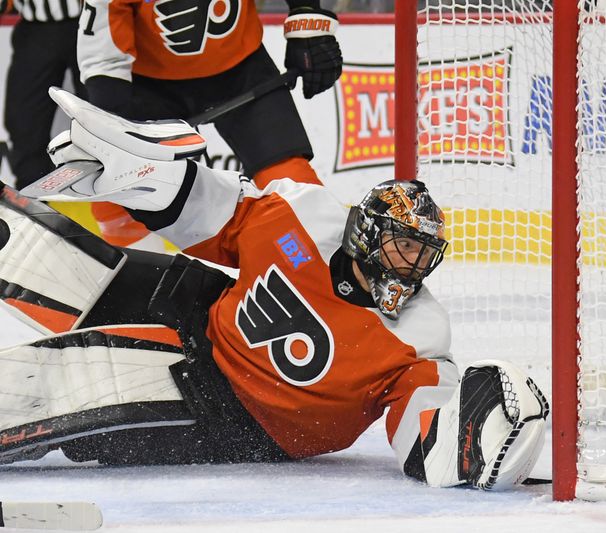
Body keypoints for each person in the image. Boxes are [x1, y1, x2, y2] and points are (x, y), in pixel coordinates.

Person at [0, 90, 548, 490]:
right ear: (365, 234)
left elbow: (427, 438)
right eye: (402, 248)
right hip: (202, 310)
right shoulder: (303, 214)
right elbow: (212, 213)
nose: (410, 267)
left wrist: (486, 438)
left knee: (53, 384)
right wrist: (136, 177)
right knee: (49, 255)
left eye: (423, 257)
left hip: (229, 415)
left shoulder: (422, 337)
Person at [74, 0, 342, 249]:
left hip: (241, 66)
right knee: (119, 189)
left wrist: (306, 16)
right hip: (148, 82)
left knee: (292, 182)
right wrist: (112, 114)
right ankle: (139, 283)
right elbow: (105, 27)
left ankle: (329, 275)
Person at [1, 0, 85, 190]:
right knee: (24, 120)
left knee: (102, 112)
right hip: (36, 26)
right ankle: (34, 196)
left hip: (92, 21)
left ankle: (111, 196)